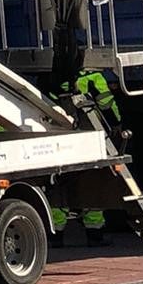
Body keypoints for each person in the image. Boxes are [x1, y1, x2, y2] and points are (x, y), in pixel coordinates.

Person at [50, 68, 122, 246]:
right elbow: (107, 104)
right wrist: (117, 124)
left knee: (58, 184)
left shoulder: (50, 78)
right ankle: (94, 234)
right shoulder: (93, 78)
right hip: (90, 138)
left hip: (59, 139)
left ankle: (56, 236)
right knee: (92, 182)